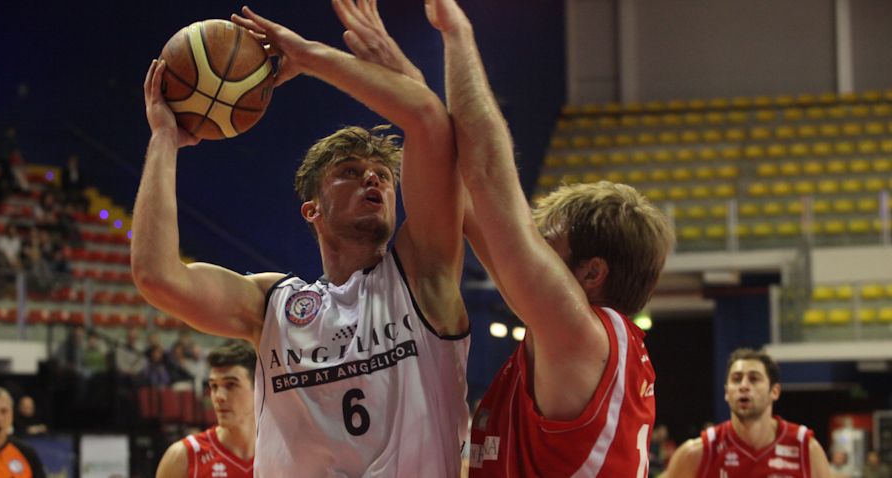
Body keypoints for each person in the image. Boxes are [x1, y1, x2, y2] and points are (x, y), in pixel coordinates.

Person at [331, 0, 672, 475]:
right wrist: (411, 88)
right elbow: (465, 194)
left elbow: (487, 171)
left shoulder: (581, 338)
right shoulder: (573, 344)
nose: (530, 246)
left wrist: (456, 31)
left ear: (591, 273)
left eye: (547, 241)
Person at [133, 3, 465, 476]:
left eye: (383, 175)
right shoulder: (273, 306)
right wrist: (164, 139)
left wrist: (309, 57)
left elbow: (431, 126)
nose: (373, 179)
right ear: (312, 211)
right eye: (350, 172)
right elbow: (157, 276)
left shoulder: (422, 275)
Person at [661, 348, 831, 478]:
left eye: (754, 378)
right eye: (736, 379)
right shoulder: (697, 453)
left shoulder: (805, 449)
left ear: (775, 391)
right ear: (726, 393)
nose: (743, 386)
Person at [155, 340, 257, 478]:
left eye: (231, 385)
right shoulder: (183, 457)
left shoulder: (280, 454)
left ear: (258, 388)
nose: (219, 396)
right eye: (214, 386)